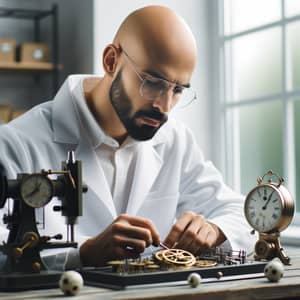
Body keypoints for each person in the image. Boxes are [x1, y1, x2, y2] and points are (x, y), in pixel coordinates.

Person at [0, 5, 255, 270]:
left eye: (178, 89)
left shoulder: (174, 140)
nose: (165, 106)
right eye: (153, 83)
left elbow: (243, 215)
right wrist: (82, 254)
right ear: (111, 61)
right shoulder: (15, 143)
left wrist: (214, 229)